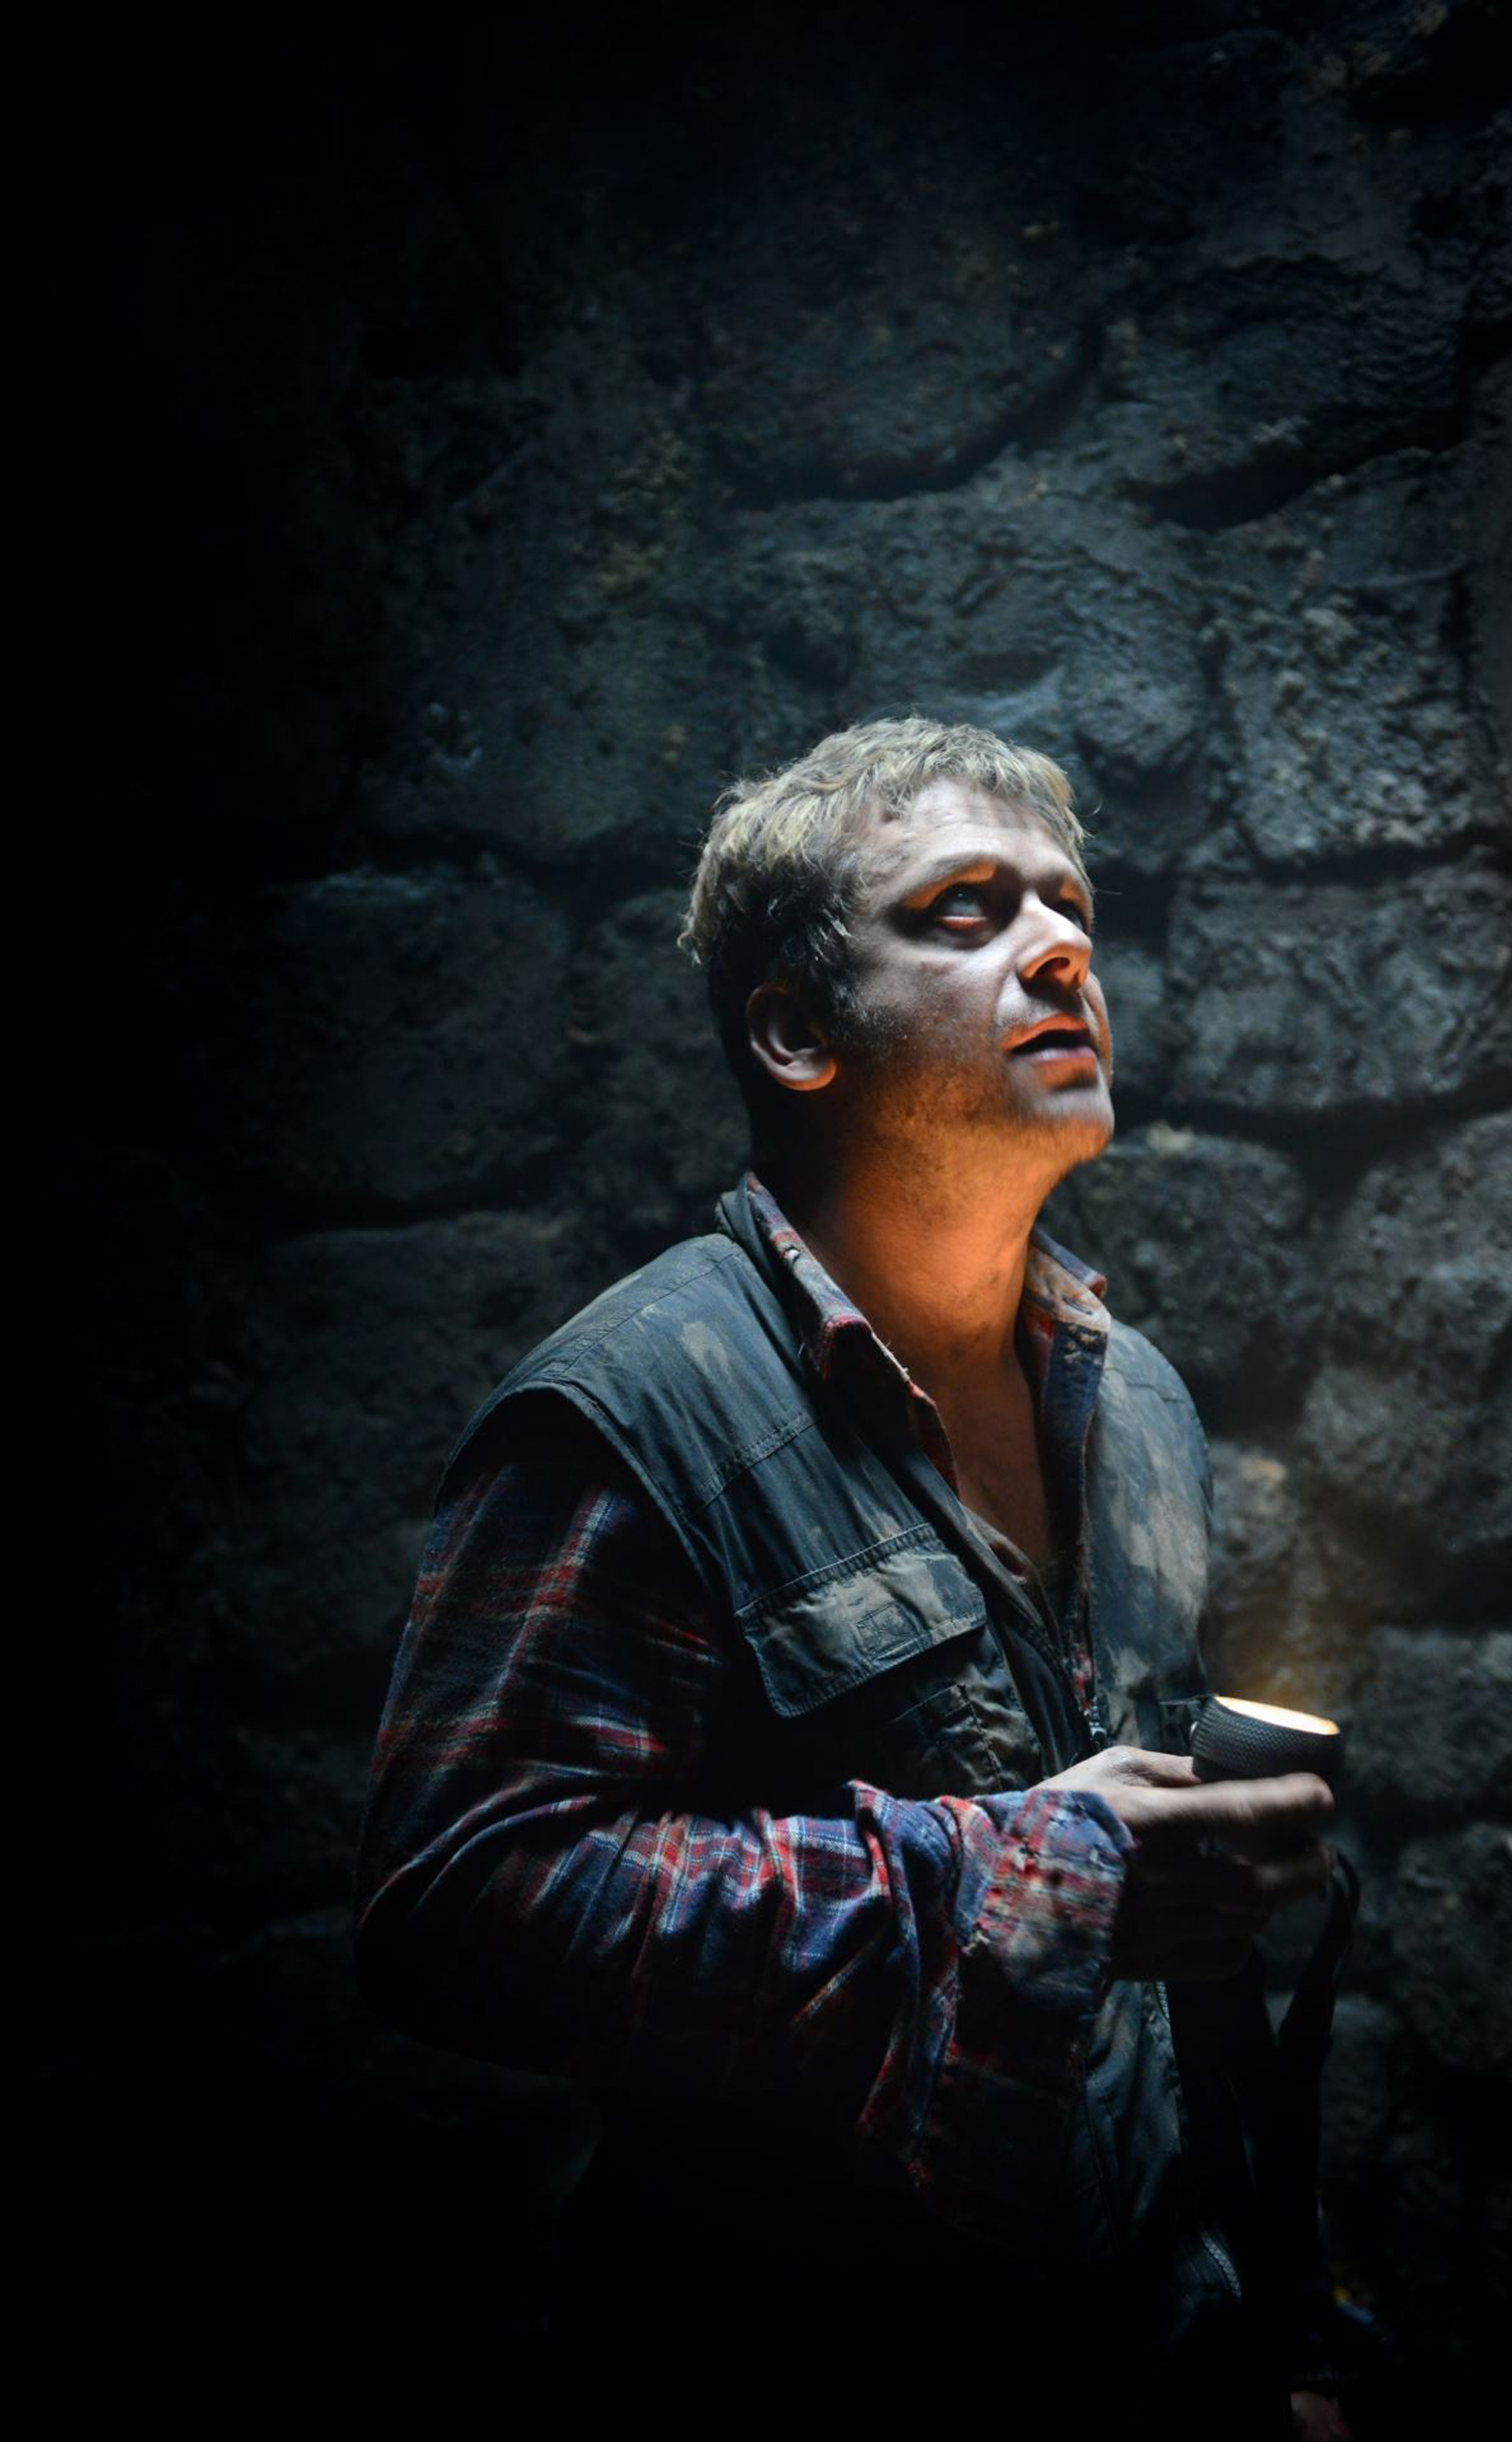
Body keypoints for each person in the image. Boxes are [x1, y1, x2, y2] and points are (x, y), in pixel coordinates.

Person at [352, 718, 1351, 2430]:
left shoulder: (1141, 1406)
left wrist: (1288, 2324)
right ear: (797, 1030)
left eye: (1069, 904)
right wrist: (1018, 1873)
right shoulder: (633, 1407)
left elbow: (1178, 1984)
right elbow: (456, 1903)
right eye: (966, 908)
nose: (1061, 946)